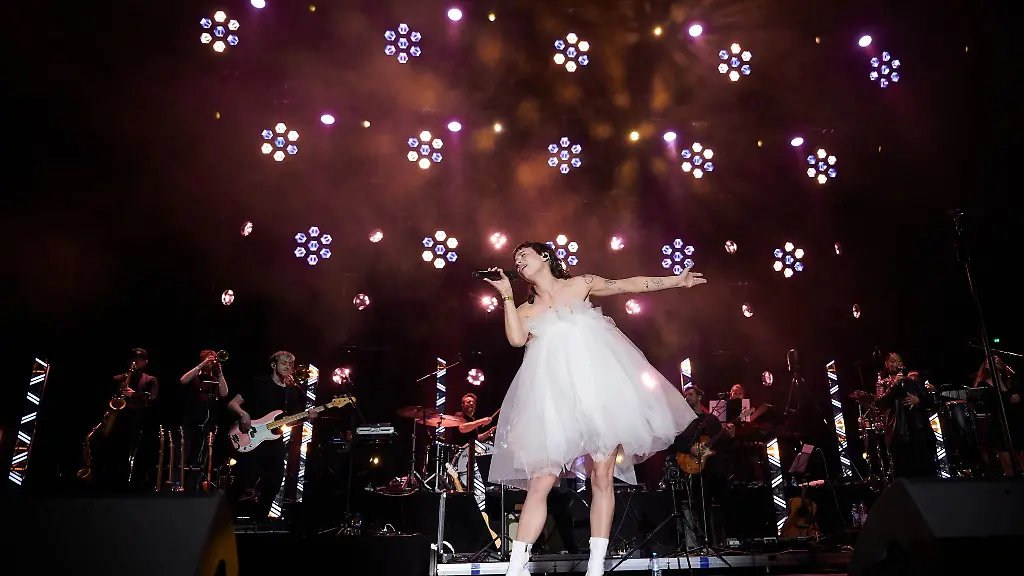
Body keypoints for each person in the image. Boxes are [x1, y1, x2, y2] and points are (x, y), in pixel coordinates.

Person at [484, 241, 704, 576]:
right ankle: (517, 567)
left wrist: (676, 280)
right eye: (515, 259)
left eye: (523, 255)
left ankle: (596, 565)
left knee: (602, 476)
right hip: (554, 399)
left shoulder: (580, 284)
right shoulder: (526, 309)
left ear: (545, 256)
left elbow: (627, 284)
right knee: (541, 481)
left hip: (599, 392)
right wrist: (506, 296)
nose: (518, 261)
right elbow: (516, 340)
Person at [226, 351, 315, 519]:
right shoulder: (258, 383)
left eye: (291, 364)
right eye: (284, 363)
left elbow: (288, 421)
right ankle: (223, 515)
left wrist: (306, 417)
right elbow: (232, 403)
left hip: (274, 442)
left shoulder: (291, 392)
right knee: (243, 481)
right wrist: (243, 414)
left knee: (274, 483)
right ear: (274, 365)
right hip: (251, 437)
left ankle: (258, 520)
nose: (288, 367)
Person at [874, 353, 937, 478]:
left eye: (898, 361)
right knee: (904, 469)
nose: (896, 364)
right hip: (898, 430)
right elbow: (879, 402)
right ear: (887, 364)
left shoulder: (913, 380)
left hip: (918, 428)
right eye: (892, 361)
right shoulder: (883, 383)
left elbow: (930, 399)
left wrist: (918, 400)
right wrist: (894, 385)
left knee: (925, 468)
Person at [107, 348, 159, 489]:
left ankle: (133, 481)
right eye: (133, 359)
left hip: (139, 419)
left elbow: (153, 398)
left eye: (140, 360)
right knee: (115, 449)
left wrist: (134, 395)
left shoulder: (150, 380)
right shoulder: (118, 378)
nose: (136, 362)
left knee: (136, 450)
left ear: (146, 362)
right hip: (119, 418)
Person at [179, 350, 229, 491]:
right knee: (185, 454)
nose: (211, 362)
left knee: (202, 457)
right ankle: (179, 485)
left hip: (209, 423)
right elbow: (183, 380)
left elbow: (224, 393)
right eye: (209, 359)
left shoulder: (215, 379)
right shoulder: (195, 376)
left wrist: (220, 373)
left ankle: (193, 487)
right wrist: (202, 365)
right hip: (191, 421)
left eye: (213, 359)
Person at [973, 356, 1023, 477]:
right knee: (1008, 463)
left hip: (1016, 420)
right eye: (994, 360)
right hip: (999, 423)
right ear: (987, 365)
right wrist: (1008, 399)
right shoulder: (983, 384)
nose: (998, 361)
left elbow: (1018, 395)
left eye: (999, 359)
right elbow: (986, 404)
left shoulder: (1010, 381)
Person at [453, 393, 495, 510]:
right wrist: (481, 421)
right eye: (468, 402)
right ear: (462, 405)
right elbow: (463, 428)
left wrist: (488, 433)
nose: (471, 403)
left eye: (473, 402)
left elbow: (476, 439)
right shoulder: (459, 416)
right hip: (461, 452)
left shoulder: (473, 420)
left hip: (472, 452)